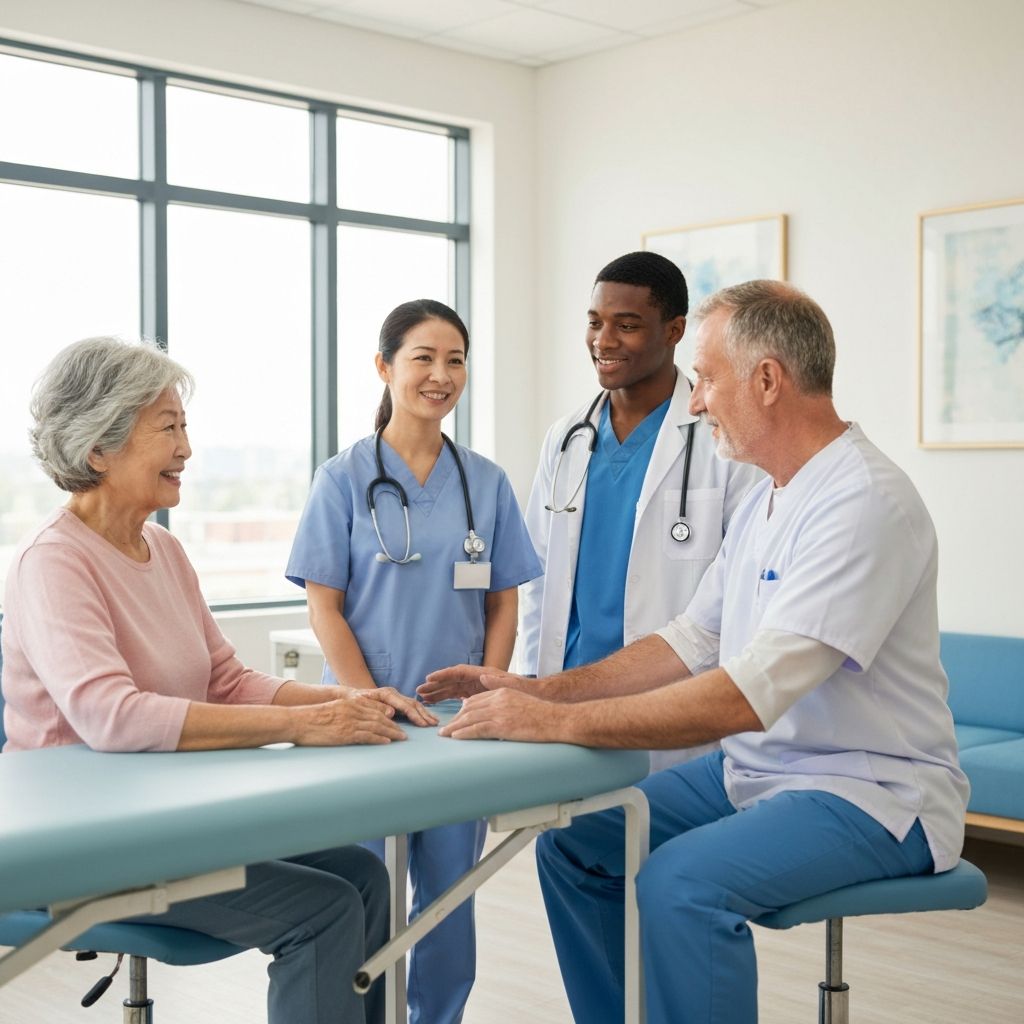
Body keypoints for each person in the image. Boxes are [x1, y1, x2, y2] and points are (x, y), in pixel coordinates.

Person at [427, 281, 969, 1024]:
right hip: (758, 767)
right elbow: (693, 639)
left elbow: (745, 694)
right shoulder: (768, 498)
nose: (694, 400)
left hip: (868, 791)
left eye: (707, 378)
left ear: (768, 380)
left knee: (681, 881)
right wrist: (538, 691)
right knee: (575, 843)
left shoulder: (864, 502)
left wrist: (551, 723)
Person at [0, 335, 440, 1024]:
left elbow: (226, 679)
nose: (187, 448)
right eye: (168, 428)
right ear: (99, 448)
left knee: (363, 874)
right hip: (85, 845)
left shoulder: (164, 550)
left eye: (185, 426)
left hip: (169, 823)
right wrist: (303, 724)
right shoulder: (52, 563)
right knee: (320, 911)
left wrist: (345, 700)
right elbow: (111, 717)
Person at [285, 299, 541, 1024]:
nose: (440, 374)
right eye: (422, 358)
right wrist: (367, 700)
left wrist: (490, 693)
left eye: (454, 359)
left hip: (455, 728)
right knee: (361, 891)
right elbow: (324, 606)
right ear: (384, 367)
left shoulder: (483, 483)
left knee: (450, 898)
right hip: (365, 725)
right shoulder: (341, 479)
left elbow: (502, 603)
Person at [417, 252, 759, 771]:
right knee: (565, 839)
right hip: (565, 690)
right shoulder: (568, 438)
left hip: (666, 699)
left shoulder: (720, 440)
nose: (604, 341)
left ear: (674, 331)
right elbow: (536, 577)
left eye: (627, 326)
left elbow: (738, 599)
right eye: (595, 323)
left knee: (655, 840)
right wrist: (531, 683)